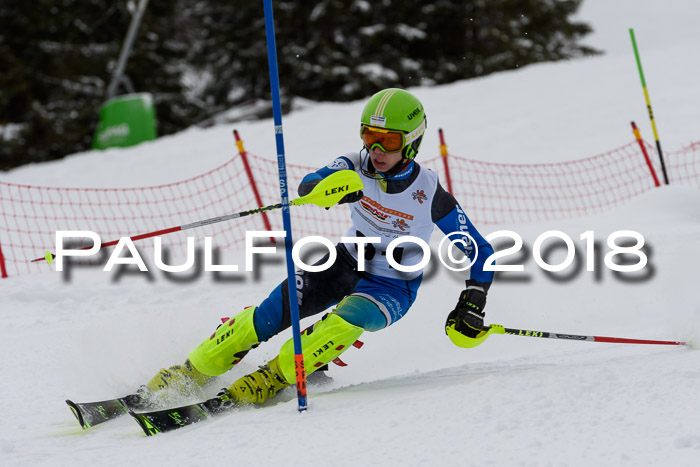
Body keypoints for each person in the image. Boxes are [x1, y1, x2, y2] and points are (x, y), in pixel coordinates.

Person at [135, 88, 495, 407]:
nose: (376, 149)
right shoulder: (354, 164)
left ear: (412, 141)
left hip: (391, 286)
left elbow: (479, 252)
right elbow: (309, 185)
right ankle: (190, 372)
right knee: (269, 314)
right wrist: (334, 187)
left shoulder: (429, 193)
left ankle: (272, 378)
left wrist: (472, 301)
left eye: (389, 140)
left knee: (345, 319)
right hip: (342, 264)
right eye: (369, 135)